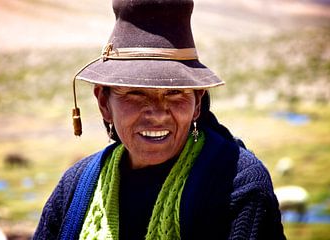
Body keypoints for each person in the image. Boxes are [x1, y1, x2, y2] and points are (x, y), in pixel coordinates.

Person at [34, 0, 286, 239]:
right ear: (103, 102)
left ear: (197, 103)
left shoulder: (238, 184)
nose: (157, 113)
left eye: (175, 93)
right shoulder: (75, 186)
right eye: (135, 93)